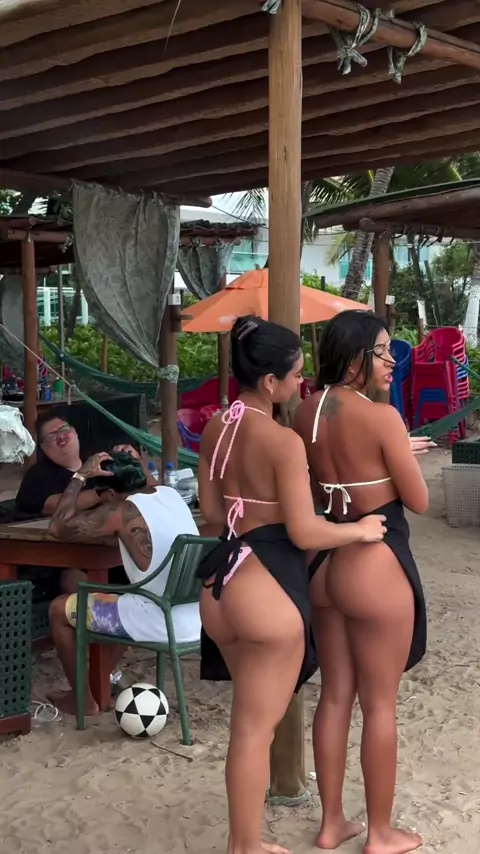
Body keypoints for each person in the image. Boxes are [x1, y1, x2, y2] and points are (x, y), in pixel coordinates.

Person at [196, 315, 388, 854]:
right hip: (267, 589)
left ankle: (244, 840)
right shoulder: (281, 441)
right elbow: (305, 530)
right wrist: (359, 530)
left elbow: (212, 514)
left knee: (247, 726)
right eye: (297, 375)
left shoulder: (216, 428)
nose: (302, 383)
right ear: (268, 381)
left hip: (221, 584)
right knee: (255, 730)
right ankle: (244, 846)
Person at [294, 310, 431, 854]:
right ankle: (380, 833)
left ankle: (332, 824)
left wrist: (391, 453)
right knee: (379, 706)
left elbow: (325, 484)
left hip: (326, 561)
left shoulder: (305, 411)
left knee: (334, 697)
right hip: (374, 560)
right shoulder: (382, 416)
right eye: (382, 351)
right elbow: (417, 500)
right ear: (355, 359)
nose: (392, 360)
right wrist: (399, 448)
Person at [47, 450, 199, 715]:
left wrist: (80, 476)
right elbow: (148, 485)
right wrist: (134, 463)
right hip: (196, 618)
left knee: (59, 609)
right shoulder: (170, 494)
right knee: (121, 599)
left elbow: (56, 528)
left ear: (110, 494)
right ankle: (99, 683)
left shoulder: (121, 510)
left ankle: (83, 701)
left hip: (157, 620)